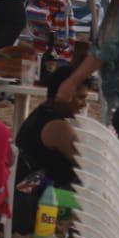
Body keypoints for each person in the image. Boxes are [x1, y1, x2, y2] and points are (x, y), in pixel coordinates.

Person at [15, 65, 88, 193]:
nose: (84, 104)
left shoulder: (39, 115)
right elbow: (88, 165)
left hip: (25, 192)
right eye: (80, 98)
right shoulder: (58, 127)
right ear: (64, 93)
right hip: (47, 203)